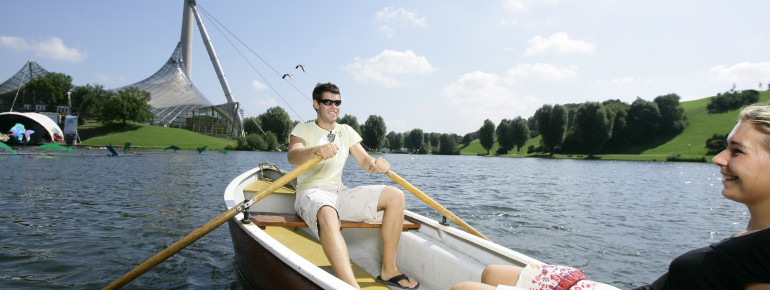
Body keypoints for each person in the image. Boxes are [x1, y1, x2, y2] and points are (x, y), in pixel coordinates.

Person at [454, 104, 770, 290]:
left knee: (465, 289)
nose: (718, 158)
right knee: (492, 273)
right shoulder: (756, 235)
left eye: (736, 151)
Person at [287, 82, 419, 289]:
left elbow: (367, 163)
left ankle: (389, 270)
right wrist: (316, 151)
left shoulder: (346, 131)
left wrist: (377, 163)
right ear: (316, 104)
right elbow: (293, 156)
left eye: (337, 102)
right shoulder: (303, 129)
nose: (334, 107)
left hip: (340, 193)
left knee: (395, 196)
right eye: (328, 102)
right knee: (327, 212)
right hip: (311, 192)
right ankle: (350, 286)